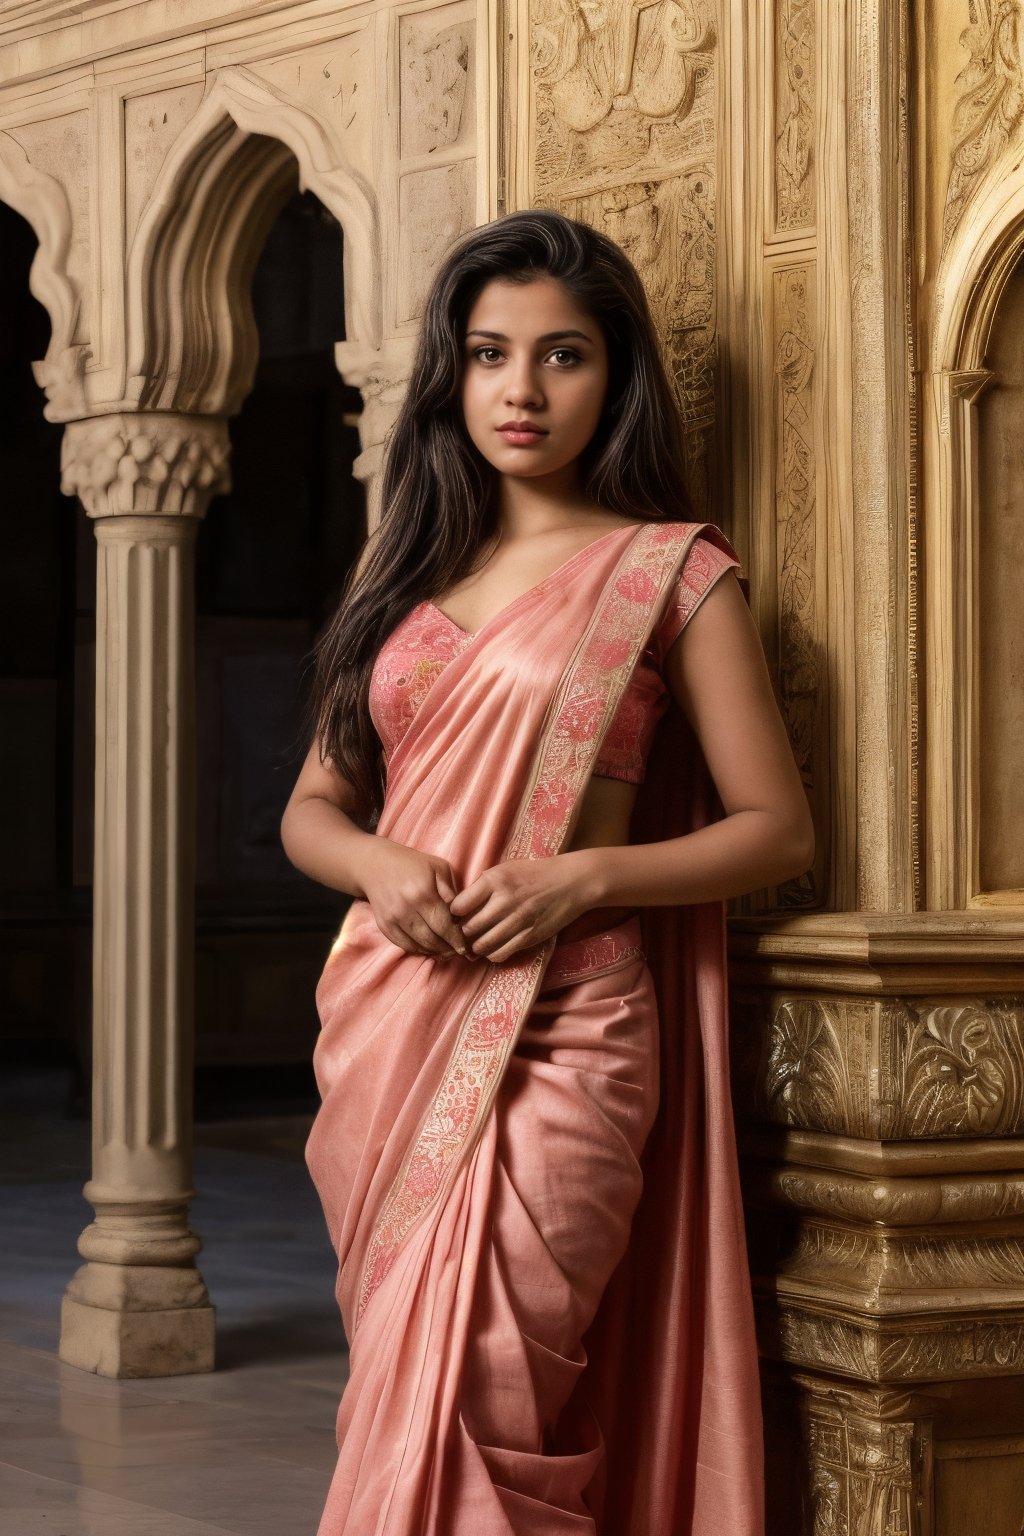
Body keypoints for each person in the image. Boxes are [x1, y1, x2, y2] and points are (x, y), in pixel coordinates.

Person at [280, 209, 814, 1536]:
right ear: (451, 376)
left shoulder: (669, 574)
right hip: (392, 1025)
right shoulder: (401, 574)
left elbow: (776, 829)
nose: (523, 390)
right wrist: (378, 865)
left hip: (573, 1025)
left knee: (502, 1390)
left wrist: (584, 882)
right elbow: (313, 809)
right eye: (491, 354)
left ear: (614, 375)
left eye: (563, 356)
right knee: (409, 1380)